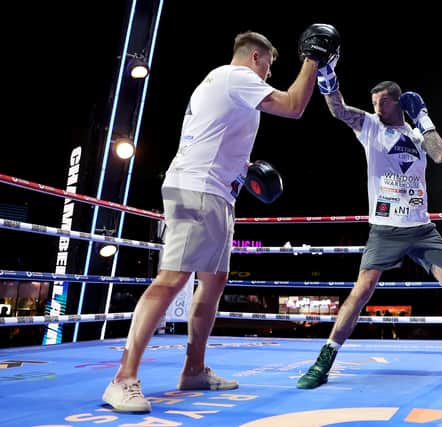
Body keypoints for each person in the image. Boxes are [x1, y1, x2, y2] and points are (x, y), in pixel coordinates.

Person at [102, 26, 339, 412]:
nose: (269, 76)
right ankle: (122, 378)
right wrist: (312, 58)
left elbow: (215, 136)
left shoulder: (221, 83)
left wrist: (244, 169)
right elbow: (294, 106)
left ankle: (194, 369)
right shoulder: (237, 77)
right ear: (256, 57)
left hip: (214, 190)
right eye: (269, 67)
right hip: (197, 188)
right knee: (173, 278)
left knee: (214, 280)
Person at [296, 58, 442, 390]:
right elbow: (338, 110)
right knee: (361, 291)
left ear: (397, 102)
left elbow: (441, 155)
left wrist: (423, 118)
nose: (376, 109)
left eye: (382, 104)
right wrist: (327, 76)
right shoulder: (369, 126)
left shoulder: (417, 135)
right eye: (374, 103)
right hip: (385, 228)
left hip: (421, 228)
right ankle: (325, 359)